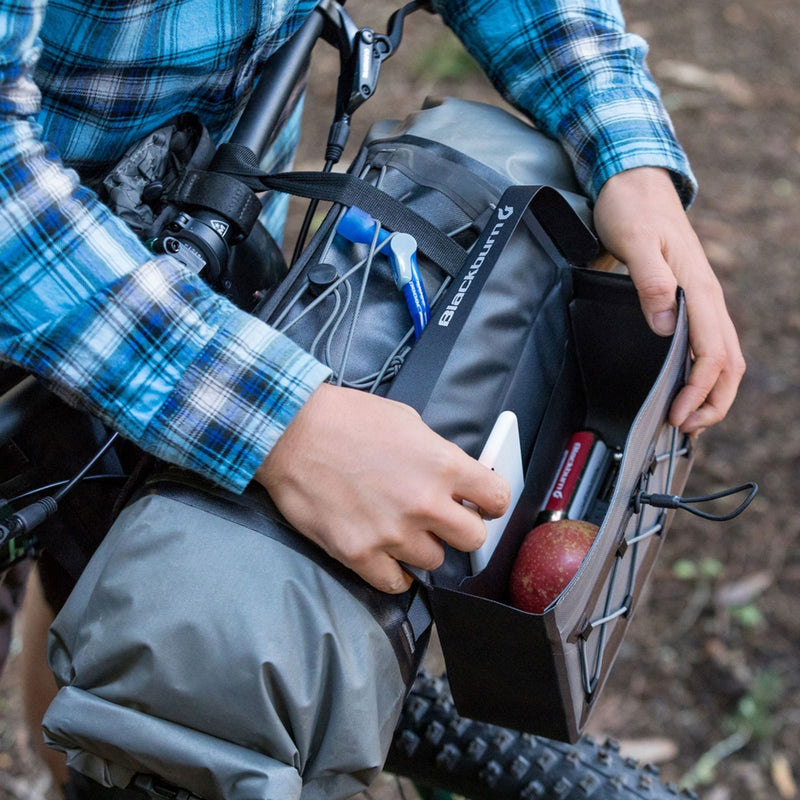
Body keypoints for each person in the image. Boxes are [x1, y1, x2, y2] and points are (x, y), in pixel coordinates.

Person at [0, 0, 745, 797]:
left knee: (123, 588)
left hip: (204, 274)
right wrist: (285, 422)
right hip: (57, 291)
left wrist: (624, 150)